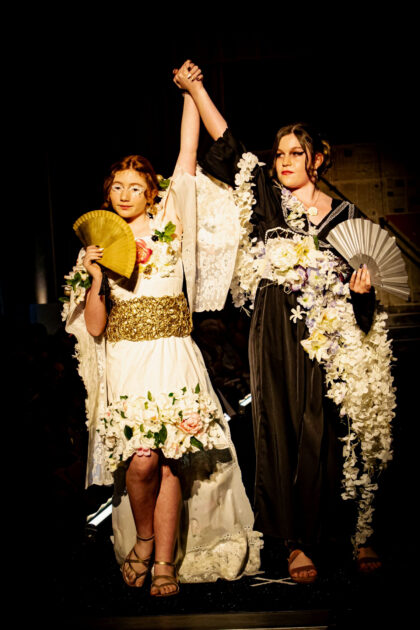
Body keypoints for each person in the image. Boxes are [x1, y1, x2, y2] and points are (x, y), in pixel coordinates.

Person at [173, 61, 392, 583]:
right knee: (282, 429)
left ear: (318, 158)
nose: (286, 161)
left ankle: (352, 532)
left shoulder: (347, 217)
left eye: (297, 153)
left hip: (332, 338)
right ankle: (293, 543)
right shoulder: (268, 199)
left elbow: (367, 305)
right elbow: (229, 145)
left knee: (333, 430)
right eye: (280, 153)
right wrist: (196, 89)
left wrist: (361, 294)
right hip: (276, 330)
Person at [64, 60, 261, 597]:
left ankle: (165, 563)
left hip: (173, 353)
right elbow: (96, 327)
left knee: (172, 460)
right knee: (141, 461)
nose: (126, 194)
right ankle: (145, 539)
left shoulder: (171, 222)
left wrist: (188, 91)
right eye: (118, 187)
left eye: (136, 186)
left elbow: (187, 153)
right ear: (109, 195)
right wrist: (95, 277)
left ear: (153, 192)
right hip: (127, 359)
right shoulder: (98, 248)